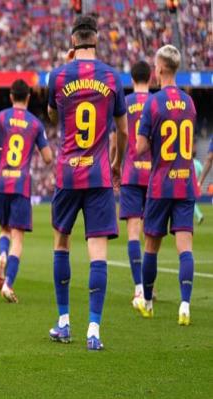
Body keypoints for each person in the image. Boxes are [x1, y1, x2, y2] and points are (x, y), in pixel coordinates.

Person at [47, 15, 128, 350]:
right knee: (98, 253)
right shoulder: (112, 77)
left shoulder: (58, 75)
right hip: (99, 174)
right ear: (96, 38)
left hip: (67, 173)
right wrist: (117, 163)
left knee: (61, 243)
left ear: (72, 40)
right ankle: (94, 329)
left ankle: (64, 322)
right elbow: (123, 130)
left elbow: (53, 116)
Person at [136, 45, 198, 325]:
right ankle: (185, 305)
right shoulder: (190, 103)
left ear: (159, 69)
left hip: (161, 184)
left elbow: (140, 147)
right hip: (185, 182)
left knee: (151, 245)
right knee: (185, 248)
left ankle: (148, 302)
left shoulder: (153, 103)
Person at [0, 79, 52, 303]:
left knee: (4, 229)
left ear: (11, 96)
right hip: (21, 184)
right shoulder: (35, 123)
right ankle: (8, 284)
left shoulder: (2, 116)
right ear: (29, 98)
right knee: (18, 238)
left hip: (2, 181)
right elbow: (48, 158)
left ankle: (2, 253)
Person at [117, 60, 152, 307]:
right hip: (154, 176)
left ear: (131, 79)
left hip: (130, 173)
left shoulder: (125, 103)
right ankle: (149, 287)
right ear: (151, 78)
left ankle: (139, 289)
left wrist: (115, 164)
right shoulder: (157, 102)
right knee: (152, 233)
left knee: (133, 232)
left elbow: (117, 136)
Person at [193, 152, 204, 224]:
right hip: (195, 184)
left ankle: (199, 215)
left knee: (189, 201)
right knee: (191, 201)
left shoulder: (187, 163)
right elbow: (203, 172)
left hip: (188, 184)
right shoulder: (198, 163)